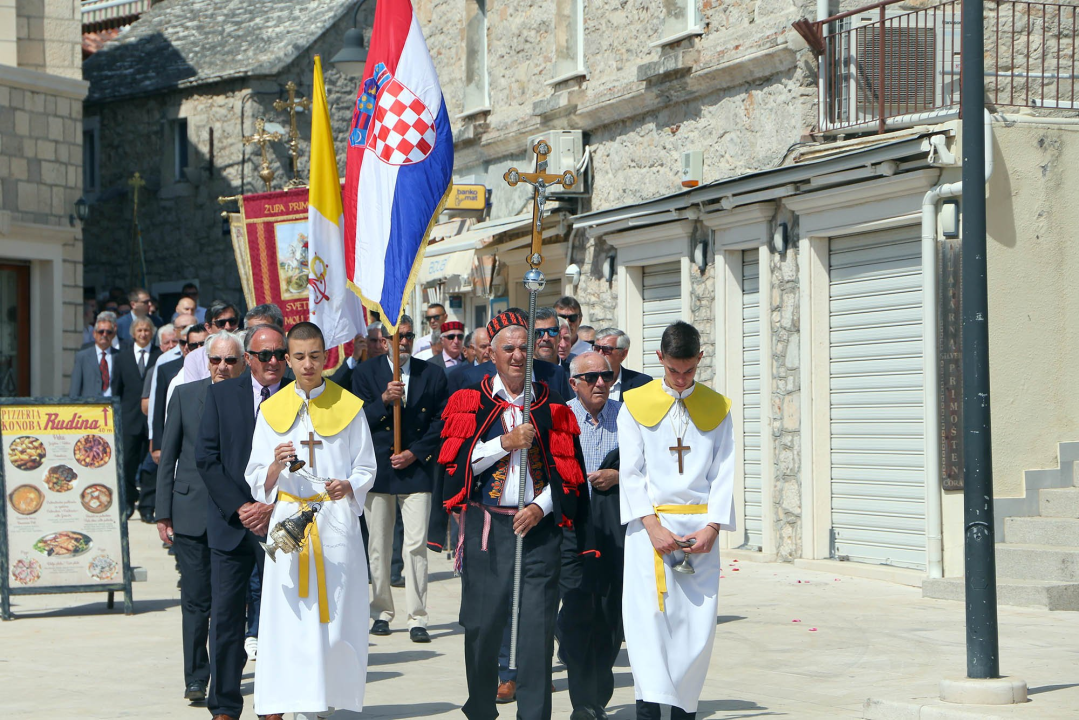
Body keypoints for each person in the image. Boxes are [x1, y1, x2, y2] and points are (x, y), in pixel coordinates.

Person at [437, 310, 586, 720]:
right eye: (509, 348)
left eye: (524, 347)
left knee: (537, 631)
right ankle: (481, 709)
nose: (518, 355)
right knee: (482, 626)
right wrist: (505, 442)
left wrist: (541, 506)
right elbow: (457, 467)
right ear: (492, 353)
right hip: (487, 529)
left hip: (538, 532)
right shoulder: (470, 400)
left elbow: (569, 473)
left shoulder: (553, 405)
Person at [245, 322, 376, 720]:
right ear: (287, 359)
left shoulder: (348, 406)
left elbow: (367, 466)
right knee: (291, 615)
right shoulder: (272, 411)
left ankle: (323, 700)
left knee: (335, 613)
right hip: (290, 519)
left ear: (326, 357)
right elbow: (255, 476)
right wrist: (274, 465)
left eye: (315, 356)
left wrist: (348, 485)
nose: (307, 365)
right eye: (299, 357)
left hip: (335, 520)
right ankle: (293, 700)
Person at [618, 321, 734, 720]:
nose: (681, 379)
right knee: (649, 626)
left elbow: (724, 471)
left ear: (699, 359)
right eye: (673, 370)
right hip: (649, 529)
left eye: (689, 370)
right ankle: (648, 712)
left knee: (694, 630)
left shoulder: (718, 408)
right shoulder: (634, 405)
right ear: (659, 359)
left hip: (700, 532)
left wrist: (713, 527)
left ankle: (685, 712)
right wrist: (653, 527)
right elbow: (630, 473)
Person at [195, 324, 287, 720]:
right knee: (227, 619)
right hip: (231, 524)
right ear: (248, 358)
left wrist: (271, 506)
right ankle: (225, 705)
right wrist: (242, 507)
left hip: (281, 522)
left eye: (279, 354)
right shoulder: (220, 395)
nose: (273, 361)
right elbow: (207, 458)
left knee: (282, 617)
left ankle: (275, 703)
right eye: (264, 355)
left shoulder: (297, 396)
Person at [157, 331, 247, 705]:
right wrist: (163, 513)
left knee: (231, 602)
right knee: (196, 599)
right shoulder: (184, 395)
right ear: (206, 362)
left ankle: (230, 667)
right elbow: (168, 457)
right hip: (191, 512)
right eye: (215, 360)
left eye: (230, 360)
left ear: (242, 363)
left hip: (235, 515)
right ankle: (196, 676)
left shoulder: (252, 398)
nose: (222, 367)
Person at [352, 315, 447, 642]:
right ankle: (381, 611)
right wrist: (383, 401)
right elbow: (355, 419)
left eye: (408, 336)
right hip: (379, 468)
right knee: (378, 545)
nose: (403, 342)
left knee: (415, 545)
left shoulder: (431, 374)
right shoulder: (365, 373)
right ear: (384, 340)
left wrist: (415, 453)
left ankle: (417, 616)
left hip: (416, 469)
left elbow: (440, 421)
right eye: (397, 336)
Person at [560, 352, 624, 720]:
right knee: (578, 612)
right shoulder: (560, 418)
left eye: (606, 375)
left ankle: (598, 694)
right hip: (572, 529)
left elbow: (651, 467)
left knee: (610, 614)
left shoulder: (627, 417)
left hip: (614, 528)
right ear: (574, 383)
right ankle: (584, 702)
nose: (601, 383)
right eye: (591, 377)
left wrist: (619, 477)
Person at [111, 316, 161, 521]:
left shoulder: (159, 356)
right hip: (128, 419)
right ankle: (128, 502)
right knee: (127, 464)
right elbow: (116, 390)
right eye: (139, 330)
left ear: (152, 333)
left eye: (146, 330)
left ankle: (147, 506)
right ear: (133, 334)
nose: (143, 334)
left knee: (150, 465)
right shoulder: (121, 358)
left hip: (151, 420)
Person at [184, 303, 240, 383]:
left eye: (232, 321)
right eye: (221, 323)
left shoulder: (248, 353)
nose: (228, 327)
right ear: (208, 328)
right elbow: (193, 389)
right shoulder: (194, 358)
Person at [592, 328, 651, 401]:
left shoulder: (642, 383)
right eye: (597, 348)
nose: (600, 353)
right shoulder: (583, 380)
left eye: (606, 349)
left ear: (623, 354)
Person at [70, 311, 119, 397]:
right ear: (94, 334)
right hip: (90, 404)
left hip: (113, 403)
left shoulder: (120, 356)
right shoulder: (82, 357)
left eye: (108, 332)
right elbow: (75, 389)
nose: (104, 334)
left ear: (113, 335)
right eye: (101, 332)